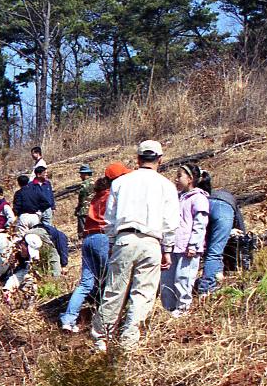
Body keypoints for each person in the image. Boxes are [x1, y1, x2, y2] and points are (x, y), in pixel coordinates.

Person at [92, 140, 180, 351]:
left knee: (114, 290)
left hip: (124, 239)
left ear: (138, 158)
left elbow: (109, 218)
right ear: (160, 159)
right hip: (152, 242)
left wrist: (113, 243)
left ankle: (101, 340)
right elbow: (170, 223)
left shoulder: (121, 183)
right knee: (143, 294)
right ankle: (129, 342)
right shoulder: (166, 185)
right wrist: (167, 251)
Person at [60, 163, 132, 332]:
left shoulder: (97, 195)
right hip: (103, 238)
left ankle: (68, 320)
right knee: (111, 281)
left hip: (88, 239)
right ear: (117, 179)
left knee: (85, 284)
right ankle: (105, 322)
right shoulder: (112, 195)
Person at [160, 162, 210, 317]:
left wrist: (194, 244)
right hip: (173, 246)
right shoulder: (178, 198)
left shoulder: (199, 198)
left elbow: (200, 224)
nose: (176, 179)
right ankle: (169, 309)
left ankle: (182, 309)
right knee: (167, 280)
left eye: (179, 176)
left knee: (183, 278)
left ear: (190, 179)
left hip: (188, 247)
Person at [197, 171, 247, 296]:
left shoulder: (205, 196)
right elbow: (241, 227)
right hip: (223, 209)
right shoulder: (229, 199)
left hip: (205, 206)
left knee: (209, 249)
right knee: (215, 252)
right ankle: (207, 289)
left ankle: (215, 275)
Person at [75, 164, 95, 238]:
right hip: (92, 209)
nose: (80, 176)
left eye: (81, 174)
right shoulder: (94, 182)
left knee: (82, 227)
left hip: (84, 209)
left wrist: (78, 208)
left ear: (85, 174)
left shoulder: (85, 184)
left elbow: (81, 198)